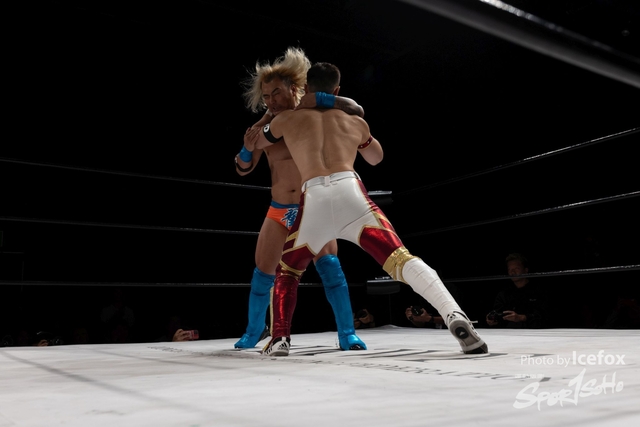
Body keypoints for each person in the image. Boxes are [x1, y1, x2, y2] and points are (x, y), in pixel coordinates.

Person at [254, 61, 488, 356]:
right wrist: (347, 112)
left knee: (288, 271)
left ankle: (279, 339)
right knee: (401, 259)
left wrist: (273, 115)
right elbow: (376, 158)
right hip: (351, 194)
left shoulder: (287, 120)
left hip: (313, 199)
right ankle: (454, 314)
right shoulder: (354, 121)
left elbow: (257, 141)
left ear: (305, 88)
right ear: (336, 90)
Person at [234, 47, 369, 351]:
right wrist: (247, 147)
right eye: (266, 96)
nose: (271, 100)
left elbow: (355, 108)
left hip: (313, 206)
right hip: (280, 209)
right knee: (262, 273)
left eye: (276, 93)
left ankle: (347, 333)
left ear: (293, 89)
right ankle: (254, 331)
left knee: (330, 268)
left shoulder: (309, 117)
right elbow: (243, 168)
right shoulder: (265, 129)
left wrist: (320, 99)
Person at [485, 253, 551, 328]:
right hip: (508, 333)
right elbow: (498, 314)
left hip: (534, 332)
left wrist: (521, 317)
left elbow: (545, 316)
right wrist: (492, 319)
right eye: (510, 269)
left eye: (516, 268)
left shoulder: (539, 291)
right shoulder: (504, 294)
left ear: (525, 270)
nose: (512, 272)